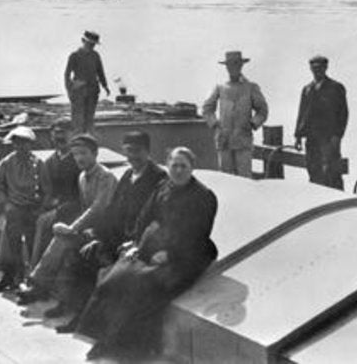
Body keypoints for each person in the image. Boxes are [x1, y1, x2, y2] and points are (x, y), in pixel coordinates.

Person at [77, 147, 218, 361]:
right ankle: (103, 338)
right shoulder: (163, 187)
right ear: (168, 166)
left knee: (143, 285)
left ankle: (130, 347)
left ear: (192, 168)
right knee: (113, 278)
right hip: (154, 247)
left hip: (188, 256)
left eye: (183, 166)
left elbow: (198, 234)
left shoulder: (203, 196)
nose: (178, 170)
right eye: (174, 165)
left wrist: (169, 254)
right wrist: (135, 243)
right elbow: (145, 216)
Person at [53, 130, 167, 334]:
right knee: (81, 254)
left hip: (139, 244)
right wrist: (98, 237)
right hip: (117, 238)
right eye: (128, 151)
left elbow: (156, 219)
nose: (132, 156)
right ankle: (79, 315)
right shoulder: (127, 175)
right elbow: (112, 212)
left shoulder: (159, 178)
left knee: (105, 270)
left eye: (137, 151)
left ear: (148, 151)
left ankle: (91, 322)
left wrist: (135, 243)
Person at [18, 133, 117, 312]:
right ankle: (41, 287)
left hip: (106, 233)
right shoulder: (82, 177)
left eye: (84, 153)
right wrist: (68, 228)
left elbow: (98, 209)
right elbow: (83, 207)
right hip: (89, 231)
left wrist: (73, 228)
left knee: (65, 242)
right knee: (60, 238)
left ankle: (41, 287)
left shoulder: (105, 177)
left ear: (95, 154)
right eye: (76, 154)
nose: (79, 157)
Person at [0, 126, 49, 294]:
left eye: (25, 143)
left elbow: (47, 190)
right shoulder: (6, 163)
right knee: (12, 246)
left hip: (32, 210)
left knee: (32, 244)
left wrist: (41, 208)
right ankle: (12, 278)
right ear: (13, 145)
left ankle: (32, 282)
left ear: (30, 144)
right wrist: (6, 204)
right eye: (17, 144)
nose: (21, 147)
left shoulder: (38, 163)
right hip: (14, 210)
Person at [202, 50, 268, 177]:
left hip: (243, 140)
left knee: (244, 179)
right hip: (224, 140)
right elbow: (207, 108)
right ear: (226, 67)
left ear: (241, 65)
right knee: (226, 178)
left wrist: (253, 123)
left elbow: (262, 110)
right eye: (230, 65)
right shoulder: (220, 87)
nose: (233, 67)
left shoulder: (251, 87)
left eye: (237, 64)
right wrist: (214, 123)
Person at [29, 119, 83, 267]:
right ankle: (13, 273)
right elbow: (43, 189)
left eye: (64, 133)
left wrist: (56, 206)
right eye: (56, 134)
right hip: (52, 206)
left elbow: (82, 193)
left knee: (43, 222)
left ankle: (36, 271)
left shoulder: (79, 160)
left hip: (74, 207)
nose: (59, 138)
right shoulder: (49, 162)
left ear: (73, 135)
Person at [294, 55, 349, 190]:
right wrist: (298, 136)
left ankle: (337, 201)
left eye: (320, 68)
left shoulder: (336, 88)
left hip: (328, 139)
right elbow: (302, 113)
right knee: (313, 171)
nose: (317, 71)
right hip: (311, 139)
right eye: (314, 68)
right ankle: (316, 198)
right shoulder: (307, 89)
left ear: (326, 68)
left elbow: (343, 114)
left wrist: (337, 136)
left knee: (332, 172)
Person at [64, 31, 111, 133]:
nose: (92, 46)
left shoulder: (95, 56)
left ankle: (87, 138)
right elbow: (67, 75)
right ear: (83, 41)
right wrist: (70, 91)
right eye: (90, 43)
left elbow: (100, 72)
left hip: (92, 91)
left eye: (93, 44)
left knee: (89, 119)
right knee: (78, 120)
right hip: (79, 92)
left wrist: (105, 86)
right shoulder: (74, 55)